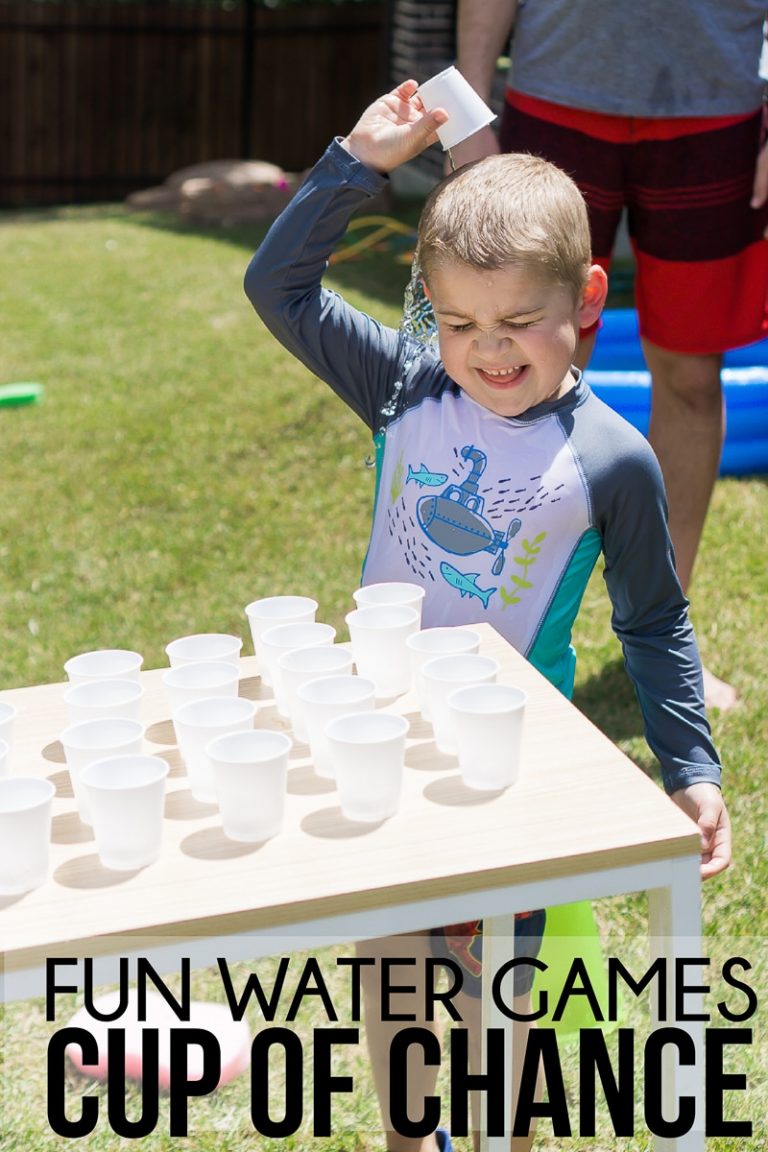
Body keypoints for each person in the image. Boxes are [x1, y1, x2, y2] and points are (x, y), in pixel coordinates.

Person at [244, 80, 732, 1152]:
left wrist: (690, 768)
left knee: (497, 999)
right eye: (459, 321)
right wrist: (356, 163)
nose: (488, 351)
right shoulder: (406, 387)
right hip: (375, 737)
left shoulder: (612, 460)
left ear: (589, 298)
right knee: (392, 973)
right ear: (429, 309)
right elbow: (276, 285)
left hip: (507, 761)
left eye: (519, 321)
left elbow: (653, 623)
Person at [450, 0, 768, 714]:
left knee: (690, 378)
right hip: (556, 106)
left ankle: (665, 643)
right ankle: (498, 635)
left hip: (717, 117)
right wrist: (468, 108)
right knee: (521, 377)